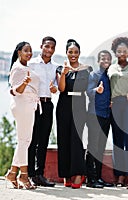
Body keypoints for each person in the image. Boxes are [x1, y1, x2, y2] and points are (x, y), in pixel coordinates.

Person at [56, 39, 92, 189]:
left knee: (76, 139)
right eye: (70, 52)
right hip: (64, 103)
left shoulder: (86, 70)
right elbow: (61, 88)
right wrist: (64, 74)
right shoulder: (60, 69)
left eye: (76, 52)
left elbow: (89, 89)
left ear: (79, 53)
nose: (73, 55)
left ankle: (78, 173)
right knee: (63, 138)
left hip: (79, 104)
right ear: (66, 53)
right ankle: (66, 174)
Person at [108, 37, 128, 189]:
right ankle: (120, 175)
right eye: (119, 51)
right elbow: (107, 86)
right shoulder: (111, 68)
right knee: (117, 141)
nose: (122, 53)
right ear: (115, 52)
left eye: (124, 51)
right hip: (115, 105)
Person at [5, 41, 38, 190]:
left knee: (24, 141)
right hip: (22, 105)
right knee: (24, 141)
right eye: (26, 51)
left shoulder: (26, 67)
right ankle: (23, 175)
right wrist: (24, 83)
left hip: (28, 105)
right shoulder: (17, 68)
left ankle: (13, 173)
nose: (29, 53)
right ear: (19, 52)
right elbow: (14, 90)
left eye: (30, 51)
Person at [27, 36, 57, 187]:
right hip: (33, 104)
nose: (49, 50)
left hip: (48, 105)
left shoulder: (55, 67)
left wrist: (54, 89)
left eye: (52, 47)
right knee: (32, 140)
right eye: (47, 46)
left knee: (44, 140)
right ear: (41, 46)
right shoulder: (31, 64)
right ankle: (30, 174)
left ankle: (40, 174)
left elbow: (57, 87)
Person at [85, 50, 114, 188]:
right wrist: (97, 90)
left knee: (101, 148)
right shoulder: (93, 75)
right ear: (98, 61)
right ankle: (90, 179)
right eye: (103, 58)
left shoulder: (110, 76)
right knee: (93, 147)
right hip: (94, 115)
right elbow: (89, 92)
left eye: (108, 58)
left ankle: (98, 177)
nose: (105, 60)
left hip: (106, 115)